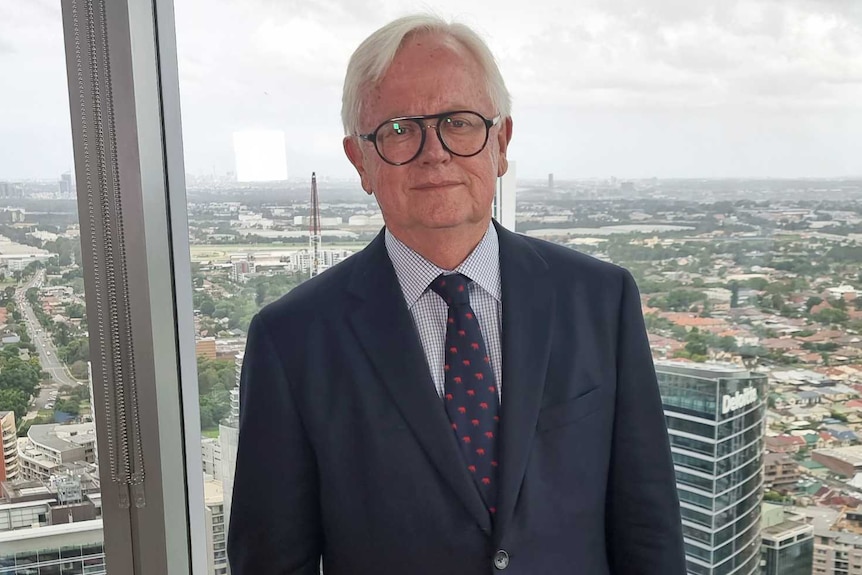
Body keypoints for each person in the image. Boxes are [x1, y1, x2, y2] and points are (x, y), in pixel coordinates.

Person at [228, 14, 685, 575]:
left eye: (458, 122)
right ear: (360, 160)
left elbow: (649, 529)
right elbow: (272, 560)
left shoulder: (601, 300)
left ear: (501, 143)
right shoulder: (291, 340)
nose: (434, 152)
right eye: (398, 129)